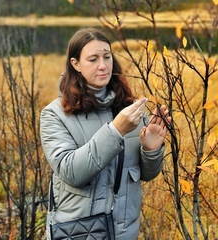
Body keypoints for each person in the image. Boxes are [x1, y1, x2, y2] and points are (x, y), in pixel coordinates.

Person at [40, 27, 171, 240]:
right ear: (76, 64)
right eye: (93, 59)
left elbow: (146, 175)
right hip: (78, 232)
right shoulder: (55, 114)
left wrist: (151, 148)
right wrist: (115, 131)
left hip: (125, 232)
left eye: (107, 57)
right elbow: (71, 172)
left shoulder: (130, 110)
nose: (103, 66)